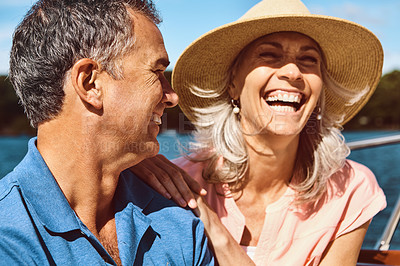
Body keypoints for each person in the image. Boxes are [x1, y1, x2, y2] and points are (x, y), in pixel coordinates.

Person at [131, 0, 387, 265]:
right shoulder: (174, 184)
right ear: (232, 85)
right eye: (269, 55)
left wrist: (214, 230)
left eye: (309, 60)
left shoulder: (351, 189)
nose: (292, 72)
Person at [0, 0, 214, 265]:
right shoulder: (6, 237)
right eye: (157, 71)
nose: (172, 96)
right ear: (90, 83)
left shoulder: (179, 224)